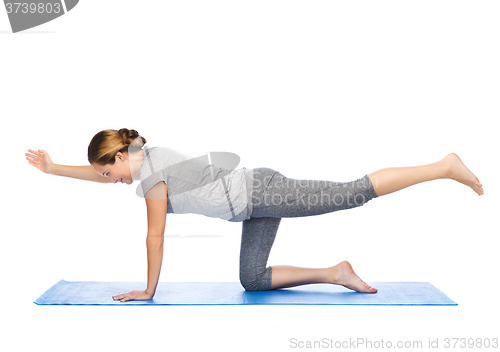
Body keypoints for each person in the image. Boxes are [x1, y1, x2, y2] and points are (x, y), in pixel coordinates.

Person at [25, 128, 484, 302]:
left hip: (263, 191)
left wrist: (149, 290)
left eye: (112, 174)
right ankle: (336, 272)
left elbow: (154, 237)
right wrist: (53, 169)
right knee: (252, 278)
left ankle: (443, 166)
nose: (112, 182)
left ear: (122, 155)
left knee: (352, 194)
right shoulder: (142, 158)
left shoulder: (152, 175)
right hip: (250, 206)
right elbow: (97, 173)